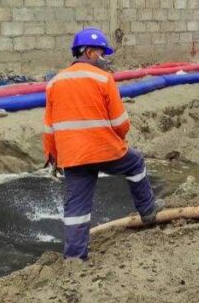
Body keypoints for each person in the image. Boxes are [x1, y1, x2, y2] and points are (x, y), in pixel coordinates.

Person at [43, 27, 164, 261]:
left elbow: (49, 128)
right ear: (89, 52)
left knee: (76, 208)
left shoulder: (54, 83)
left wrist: (54, 156)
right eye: (101, 53)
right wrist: (119, 140)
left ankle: (75, 259)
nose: (104, 58)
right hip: (104, 149)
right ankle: (148, 211)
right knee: (135, 162)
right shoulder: (103, 78)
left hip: (73, 155)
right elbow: (121, 123)